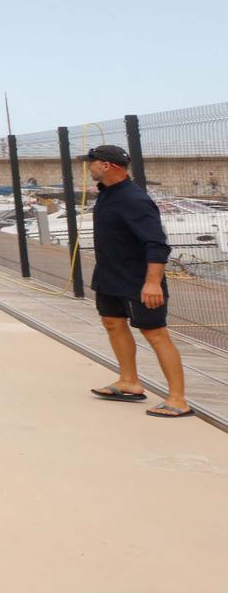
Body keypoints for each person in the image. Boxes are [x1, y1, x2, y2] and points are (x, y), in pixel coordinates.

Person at [83, 144, 190, 418]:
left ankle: (178, 399)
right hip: (109, 276)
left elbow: (157, 244)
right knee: (112, 324)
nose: (88, 167)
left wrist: (152, 283)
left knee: (155, 334)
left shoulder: (134, 199)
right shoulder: (107, 194)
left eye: (91, 162)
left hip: (138, 280)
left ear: (107, 165)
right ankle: (129, 381)